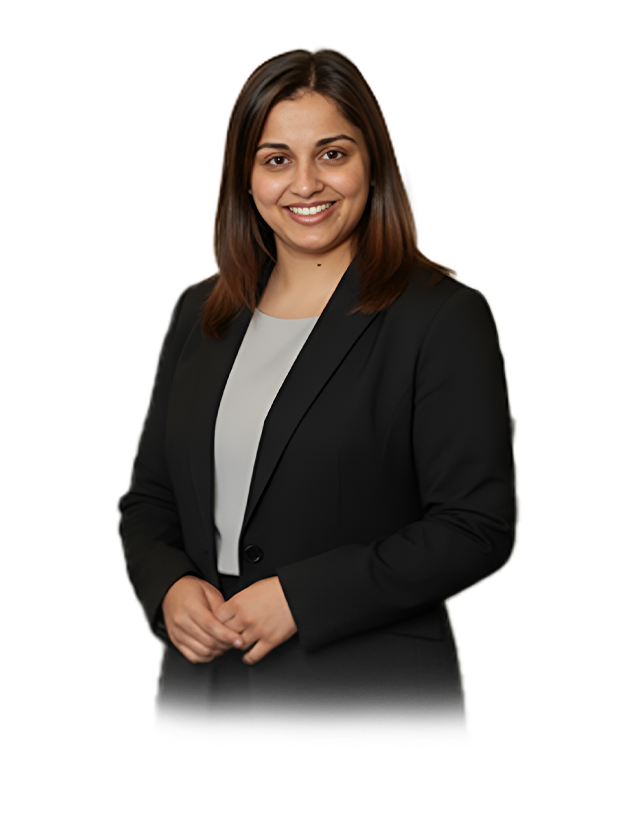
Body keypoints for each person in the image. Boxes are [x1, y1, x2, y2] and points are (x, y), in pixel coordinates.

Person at [116, 47, 517, 749]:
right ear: (245, 178)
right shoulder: (199, 314)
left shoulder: (440, 318)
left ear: (372, 164)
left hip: (367, 708)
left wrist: (301, 599)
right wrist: (169, 589)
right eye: (276, 159)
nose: (305, 183)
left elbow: (474, 527)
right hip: (199, 698)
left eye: (332, 154)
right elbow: (150, 498)